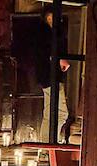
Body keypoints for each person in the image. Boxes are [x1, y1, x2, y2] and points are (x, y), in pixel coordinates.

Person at [36, 10, 70, 144]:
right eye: (49, 19)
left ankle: (47, 145)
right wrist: (59, 60)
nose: (52, 22)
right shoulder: (47, 35)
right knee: (59, 113)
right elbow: (47, 53)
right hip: (50, 76)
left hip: (50, 76)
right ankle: (48, 145)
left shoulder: (53, 34)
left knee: (52, 113)